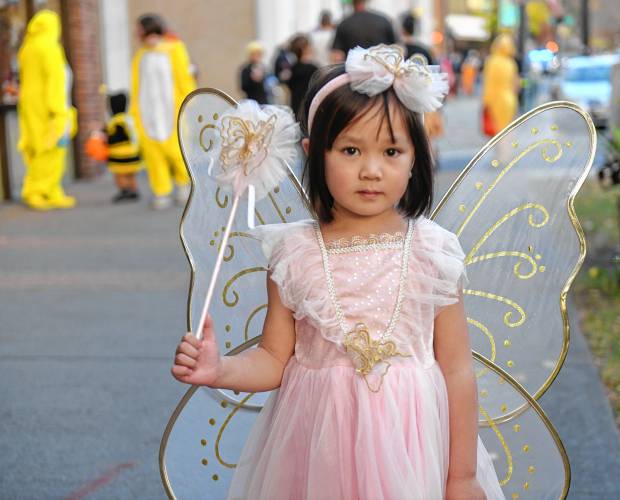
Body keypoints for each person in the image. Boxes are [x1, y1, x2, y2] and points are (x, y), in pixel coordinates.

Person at [172, 45, 505, 499]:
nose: (371, 170)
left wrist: (461, 476)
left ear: (416, 156)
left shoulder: (433, 253)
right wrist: (219, 368)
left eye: (391, 150)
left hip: (414, 450)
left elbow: (457, 370)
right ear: (314, 152)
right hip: (316, 451)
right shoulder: (294, 254)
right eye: (350, 150)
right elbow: (273, 360)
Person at [130, 14, 195, 209]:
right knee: (153, 153)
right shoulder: (141, 54)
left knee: (176, 150)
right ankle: (161, 191)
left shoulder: (174, 49)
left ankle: (183, 184)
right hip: (147, 111)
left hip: (171, 109)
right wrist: (134, 112)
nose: (136, 32)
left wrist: (189, 101)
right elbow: (136, 85)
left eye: (138, 28)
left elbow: (184, 77)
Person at [16, 9, 77, 210]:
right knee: (52, 150)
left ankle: (50, 191)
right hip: (51, 109)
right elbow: (55, 80)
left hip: (30, 106)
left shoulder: (27, 48)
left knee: (37, 148)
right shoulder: (49, 48)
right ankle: (38, 190)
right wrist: (58, 110)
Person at [101, 92, 142, 203]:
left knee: (120, 175)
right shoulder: (129, 120)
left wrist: (106, 138)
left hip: (119, 157)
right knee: (131, 175)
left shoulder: (115, 122)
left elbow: (115, 138)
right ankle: (134, 189)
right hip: (133, 155)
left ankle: (124, 190)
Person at [331, 0, 397, 62]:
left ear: (352, 2)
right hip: (383, 69)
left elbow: (337, 56)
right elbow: (395, 48)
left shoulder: (344, 24)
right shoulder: (384, 20)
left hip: (355, 71)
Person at [482, 34, 519, 137]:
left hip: (493, 100)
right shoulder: (511, 63)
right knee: (507, 133)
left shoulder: (491, 61)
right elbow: (516, 85)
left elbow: (487, 83)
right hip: (509, 100)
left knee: (495, 132)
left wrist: (485, 102)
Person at [286, 34, 318, 117]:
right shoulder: (312, 68)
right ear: (304, 49)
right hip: (309, 105)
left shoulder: (293, 67)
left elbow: (289, 85)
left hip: (296, 104)